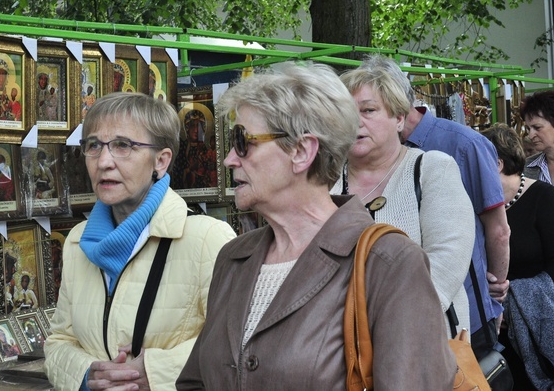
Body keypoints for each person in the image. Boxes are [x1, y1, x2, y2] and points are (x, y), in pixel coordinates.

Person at [177, 63, 456, 390]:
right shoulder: (233, 258)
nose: (229, 160)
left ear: (302, 151)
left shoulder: (389, 263)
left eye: (243, 141)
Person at [44, 92, 236, 391]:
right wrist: (88, 375)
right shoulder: (78, 242)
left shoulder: (208, 240)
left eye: (123, 145)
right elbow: (59, 342)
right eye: (94, 145)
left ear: (161, 160)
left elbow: (235, 345)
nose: (104, 161)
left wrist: (152, 374)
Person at [366, 55, 511, 360]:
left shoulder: (462, 144)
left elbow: (498, 229)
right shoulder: (361, 159)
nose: (357, 121)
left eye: (368, 109)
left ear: (397, 108)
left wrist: (494, 294)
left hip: (464, 318)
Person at [332, 65, 476, 332]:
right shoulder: (325, 181)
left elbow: (446, 265)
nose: (355, 121)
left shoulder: (432, 169)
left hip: (420, 343)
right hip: (340, 348)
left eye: (368, 110)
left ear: (399, 118)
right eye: (346, 112)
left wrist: (374, 323)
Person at [482, 123, 554, 390]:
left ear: (497, 164)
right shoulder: (476, 204)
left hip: (543, 322)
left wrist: (516, 300)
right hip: (494, 323)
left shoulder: (542, 196)